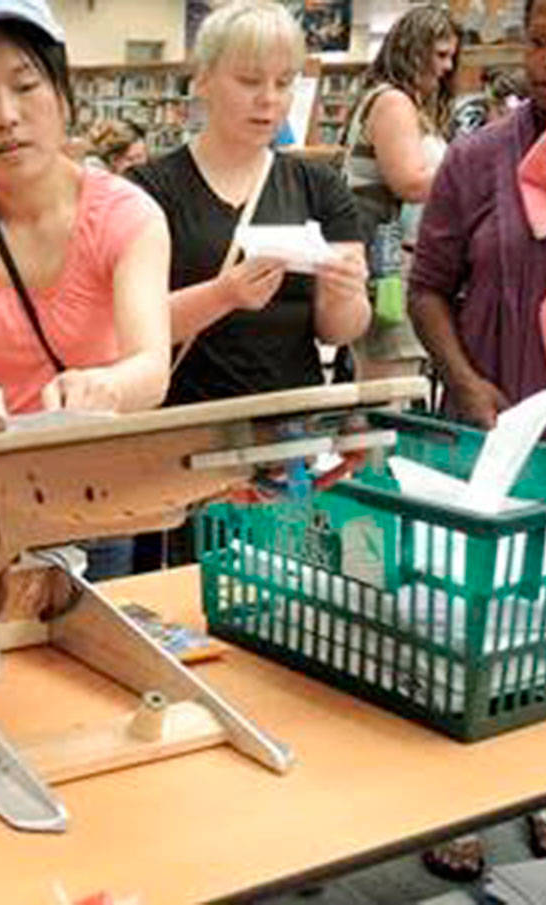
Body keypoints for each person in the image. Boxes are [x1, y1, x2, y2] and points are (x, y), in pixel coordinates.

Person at [409, 0, 546, 878]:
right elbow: (427, 286)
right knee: (472, 620)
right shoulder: (478, 158)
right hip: (498, 431)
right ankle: (462, 800)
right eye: (539, 39)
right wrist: (465, 382)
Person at [0, 0, 171, 580]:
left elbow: (151, 366)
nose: (5, 115)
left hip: (91, 493)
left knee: (90, 653)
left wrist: (107, 385)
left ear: (64, 98)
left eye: (25, 86)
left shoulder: (131, 215)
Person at [127, 0, 369, 567]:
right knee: (187, 593)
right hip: (187, 441)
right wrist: (226, 294)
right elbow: (129, 328)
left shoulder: (318, 186)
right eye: (249, 80)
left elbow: (340, 330)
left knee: (290, 589)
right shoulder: (148, 190)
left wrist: (342, 289)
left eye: (284, 83)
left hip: (290, 437)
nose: (269, 99)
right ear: (204, 79)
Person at [342, 5, 460, 380]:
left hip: (386, 260)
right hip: (387, 263)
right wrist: (466, 170)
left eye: (451, 57)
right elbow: (408, 182)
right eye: (440, 55)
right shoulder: (394, 102)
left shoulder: (386, 98)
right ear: (415, 49)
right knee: (389, 382)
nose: (446, 68)